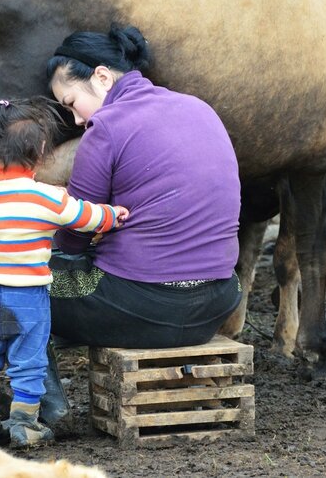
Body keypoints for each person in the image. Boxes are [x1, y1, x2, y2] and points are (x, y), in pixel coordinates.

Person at [40, 24, 242, 423]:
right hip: (219, 299)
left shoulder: (108, 126)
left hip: (141, 308)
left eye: (70, 102)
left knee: (17, 280)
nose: (76, 120)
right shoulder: (199, 107)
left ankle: (51, 406)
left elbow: (75, 238)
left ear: (101, 76)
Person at [0, 97, 129, 447]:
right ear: (41, 149)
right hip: (27, 297)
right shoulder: (46, 197)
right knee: (28, 360)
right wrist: (114, 215)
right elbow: (86, 216)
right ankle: (24, 423)